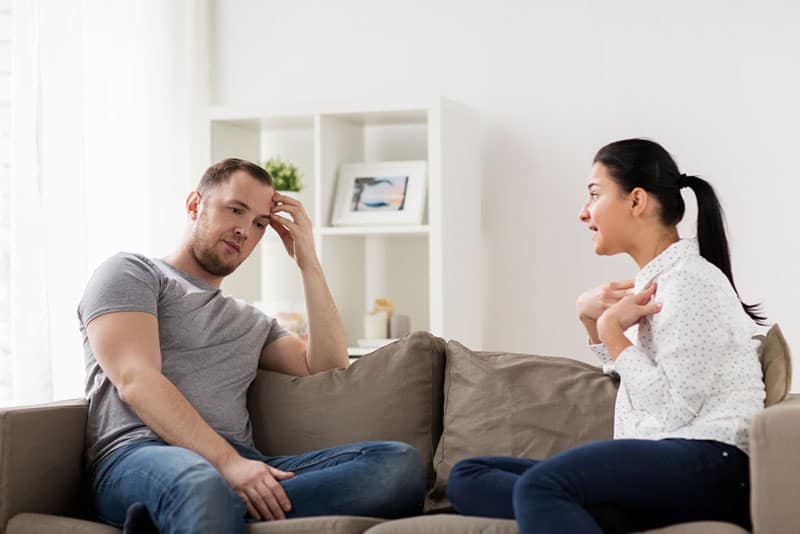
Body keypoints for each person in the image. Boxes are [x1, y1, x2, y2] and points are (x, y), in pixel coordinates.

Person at [79, 158, 425, 533]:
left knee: (398, 465)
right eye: (235, 210)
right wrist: (226, 464)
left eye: (260, 223)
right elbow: (136, 380)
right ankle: (199, 504)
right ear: (195, 205)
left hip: (239, 462)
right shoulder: (132, 272)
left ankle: (184, 515)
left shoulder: (251, 321)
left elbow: (328, 366)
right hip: (140, 454)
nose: (245, 230)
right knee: (200, 483)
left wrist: (307, 260)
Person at [446, 139, 766, 533]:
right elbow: (639, 391)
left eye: (595, 195)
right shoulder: (657, 284)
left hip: (711, 461)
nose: (583, 213)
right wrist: (591, 323)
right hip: (665, 458)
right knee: (468, 475)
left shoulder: (690, 283)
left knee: (541, 486)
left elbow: (670, 411)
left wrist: (610, 330)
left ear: (636, 201)